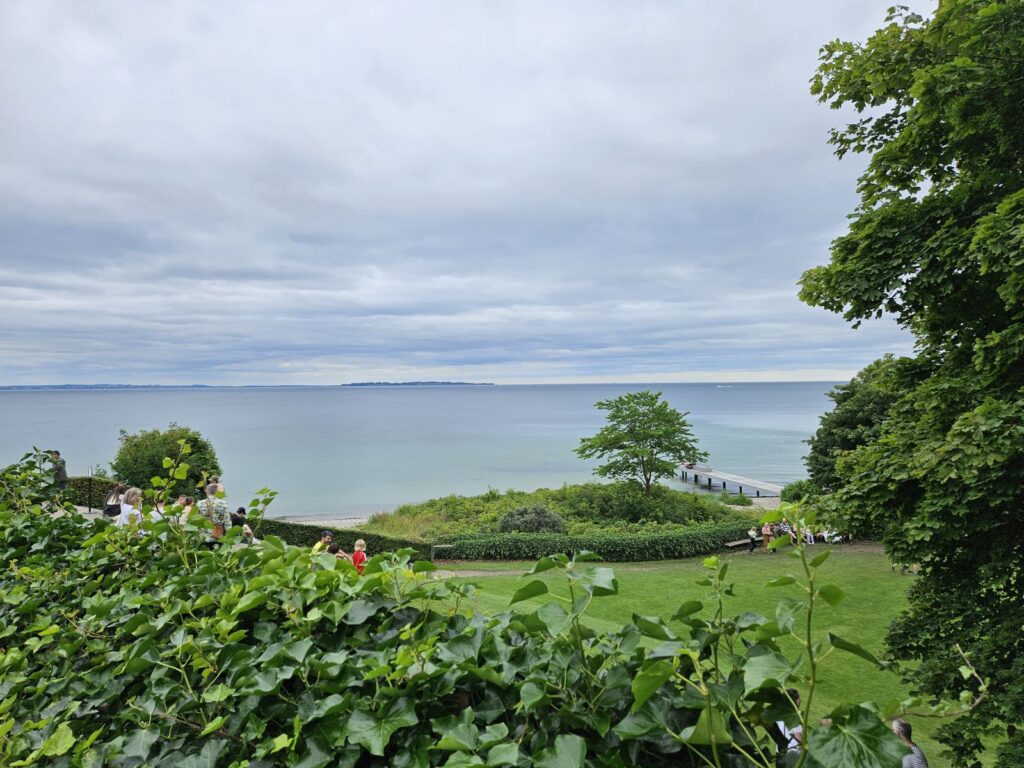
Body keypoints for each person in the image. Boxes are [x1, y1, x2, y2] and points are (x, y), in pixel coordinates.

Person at [775, 688, 803, 753]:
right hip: (794, 753)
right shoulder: (796, 716)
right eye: (798, 698)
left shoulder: (777, 714)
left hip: (780, 752)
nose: (801, 700)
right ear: (793, 701)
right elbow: (798, 735)